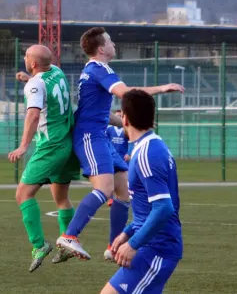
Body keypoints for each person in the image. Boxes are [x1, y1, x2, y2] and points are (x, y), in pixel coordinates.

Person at [56, 27, 184, 261]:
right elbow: (127, 94)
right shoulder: (99, 68)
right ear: (102, 48)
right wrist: (161, 88)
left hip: (98, 134)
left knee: (123, 188)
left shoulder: (93, 70)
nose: (114, 44)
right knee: (104, 189)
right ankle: (69, 236)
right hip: (89, 136)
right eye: (111, 41)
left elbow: (101, 113)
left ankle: (112, 246)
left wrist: (125, 124)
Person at [100, 89, 183, 294]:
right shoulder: (146, 147)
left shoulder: (148, 152)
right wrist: (127, 233)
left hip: (157, 248)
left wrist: (133, 244)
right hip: (153, 244)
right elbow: (147, 206)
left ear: (124, 118)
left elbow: (164, 208)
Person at [8, 44, 80, 272]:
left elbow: (33, 114)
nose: (25, 58)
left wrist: (23, 146)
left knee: (22, 193)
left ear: (32, 63)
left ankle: (39, 245)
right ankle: (68, 241)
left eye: (27, 56)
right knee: (61, 198)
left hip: (50, 146)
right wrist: (28, 79)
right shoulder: (56, 72)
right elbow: (43, 85)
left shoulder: (34, 85)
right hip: (68, 140)